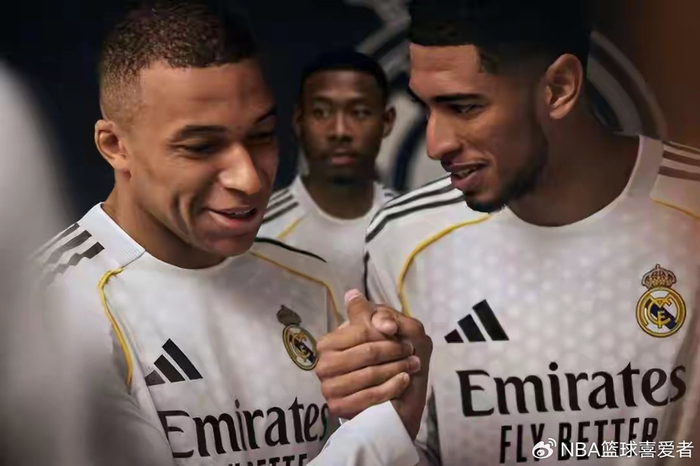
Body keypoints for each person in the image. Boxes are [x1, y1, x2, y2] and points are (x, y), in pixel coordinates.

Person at [35, 1, 430, 464]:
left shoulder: (313, 282)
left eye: (261, 136)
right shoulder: (50, 308)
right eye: (202, 147)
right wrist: (383, 433)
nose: (249, 178)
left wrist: (389, 388)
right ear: (115, 146)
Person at [315, 0, 700, 464]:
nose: (436, 143)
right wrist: (377, 420)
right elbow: (412, 450)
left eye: (465, 107)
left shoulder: (690, 210)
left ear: (559, 88)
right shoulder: (405, 238)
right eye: (426, 107)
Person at [258, 49, 397, 293]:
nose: (339, 131)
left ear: (386, 121)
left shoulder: (413, 226)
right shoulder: (260, 235)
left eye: (359, 112)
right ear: (298, 121)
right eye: (321, 112)